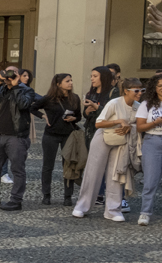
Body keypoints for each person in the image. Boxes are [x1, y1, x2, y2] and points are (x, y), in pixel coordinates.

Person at [73, 78, 142, 221]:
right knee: (93, 172)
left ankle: (113, 210)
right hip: (103, 138)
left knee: (116, 173)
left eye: (142, 90)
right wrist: (118, 121)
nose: (139, 93)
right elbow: (99, 123)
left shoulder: (138, 106)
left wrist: (130, 127)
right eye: (136, 90)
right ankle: (82, 206)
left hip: (122, 141)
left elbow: (138, 125)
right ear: (126, 91)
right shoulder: (114, 103)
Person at [0, 64, 36, 211]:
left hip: (16, 137)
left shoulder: (26, 90)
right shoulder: (1, 89)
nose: (10, 75)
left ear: (19, 75)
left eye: (14, 73)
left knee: (17, 169)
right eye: (7, 72)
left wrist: (16, 86)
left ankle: (16, 200)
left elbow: (23, 105)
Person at [33, 73, 82, 205]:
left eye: (71, 80)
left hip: (68, 135)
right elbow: (32, 107)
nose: (70, 83)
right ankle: (46, 195)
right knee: (48, 166)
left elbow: (79, 116)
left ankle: (67, 196)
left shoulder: (75, 98)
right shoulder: (49, 98)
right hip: (51, 135)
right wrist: (42, 116)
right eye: (67, 81)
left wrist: (74, 119)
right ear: (58, 84)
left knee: (68, 165)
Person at [136, 73, 162, 225]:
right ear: (154, 88)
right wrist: (156, 122)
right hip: (152, 141)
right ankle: (145, 212)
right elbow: (140, 127)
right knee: (150, 180)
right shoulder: (147, 105)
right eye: (159, 86)